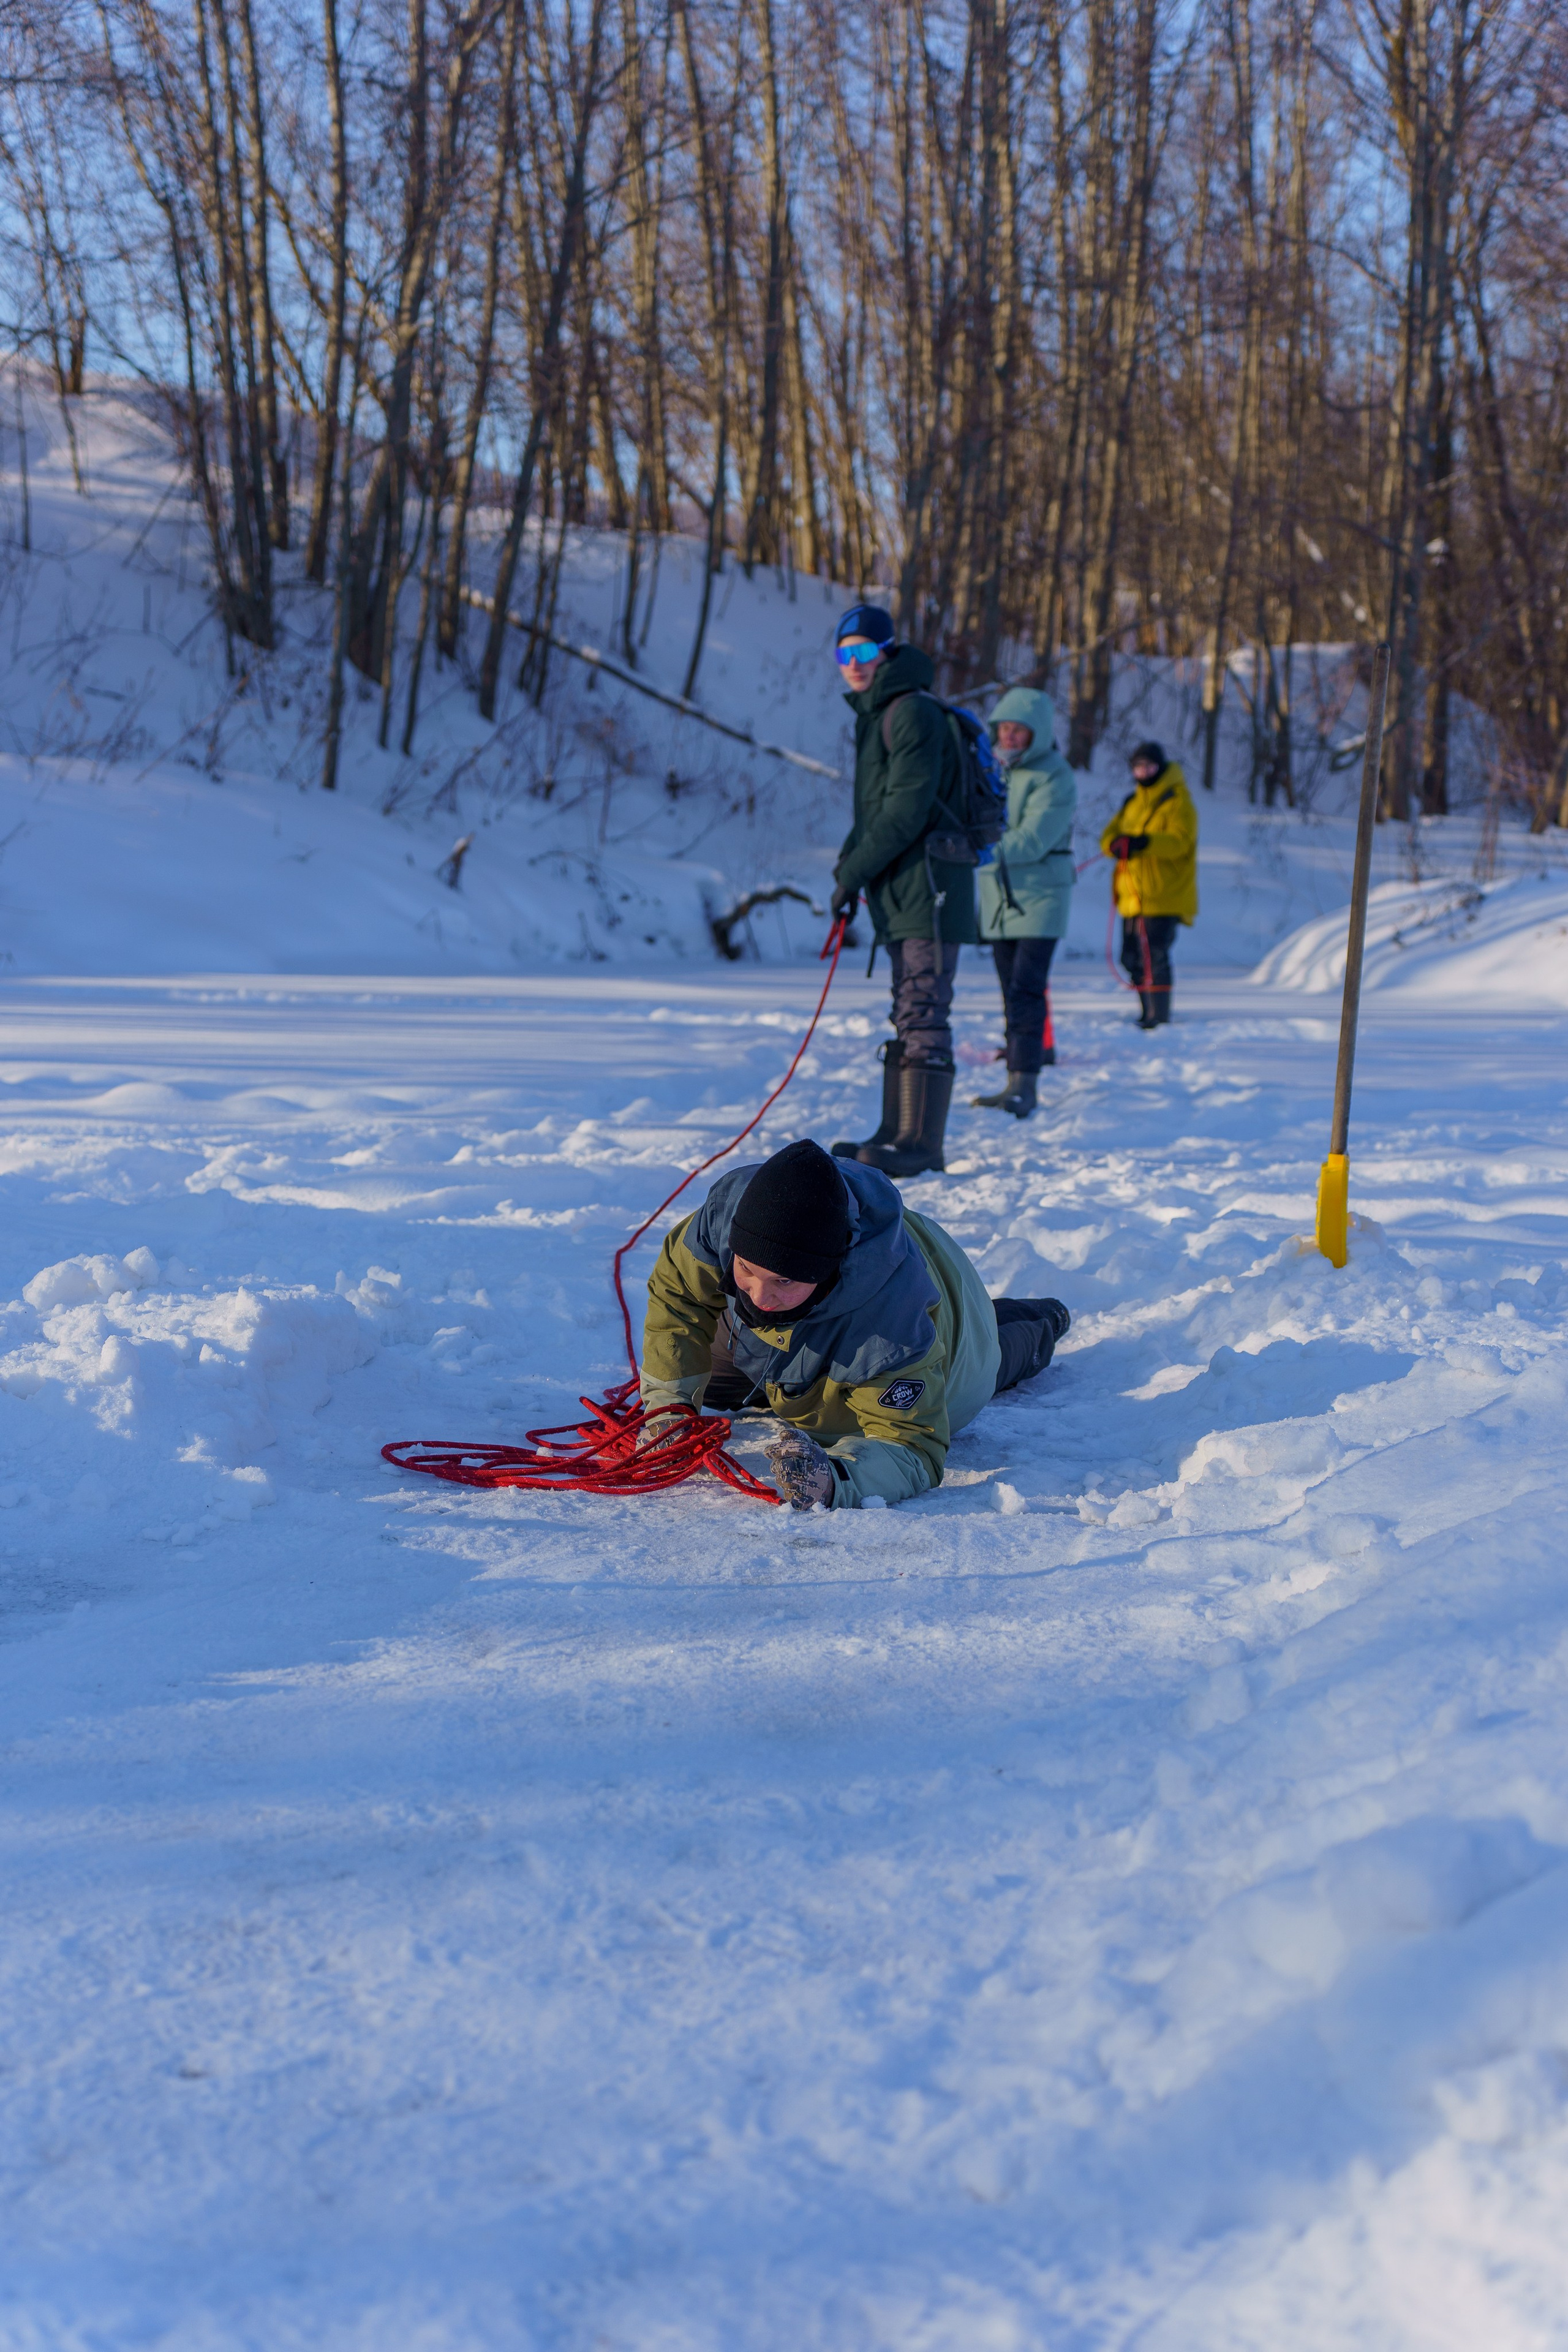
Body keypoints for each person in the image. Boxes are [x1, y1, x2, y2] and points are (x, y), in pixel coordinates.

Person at [639, 1137, 1069, 1509]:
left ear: (825, 1271)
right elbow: (678, 1298)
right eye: (746, 1270)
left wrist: (834, 1479)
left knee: (989, 1354)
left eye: (784, 1281)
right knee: (710, 1379)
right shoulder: (730, 1214)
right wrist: (670, 1408)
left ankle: (1045, 1324)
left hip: (956, 1356)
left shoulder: (892, 1329)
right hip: (821, 1322)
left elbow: (911, 1446)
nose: (759, 1296)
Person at [826, 604, 977, 1179]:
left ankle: (921, 1143)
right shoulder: (879, 714)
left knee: (924, 1005)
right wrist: (849, 868)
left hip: (930, 883)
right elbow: (874, 814)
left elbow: (906, 811)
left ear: (888, 651)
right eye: (844, 654)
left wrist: (854, 873)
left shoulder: (911, 712)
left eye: (865, 651)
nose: (854, 664)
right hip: (902, 884)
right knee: (908, 1004)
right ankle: (895, 1131)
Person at [972, 686, 1077, 1120]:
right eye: (1004, 728)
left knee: (1026, 991)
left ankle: (1025, 1084)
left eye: (1020, 729)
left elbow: (1035, 839)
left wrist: (975, 847)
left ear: (1039, 733)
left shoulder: (1055, 775)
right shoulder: (992, 769)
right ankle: (1014, 1075)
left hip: (1041, 896)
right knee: (1009, 991)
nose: (1010, 736)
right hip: (999, 899)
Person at [1099, 739, 1199, 1028]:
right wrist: (1115, 845)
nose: (1143, 773)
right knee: (1130, 957)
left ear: (1161, 767)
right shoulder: (1131, 803)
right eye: (1138, 767)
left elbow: (1180, 843)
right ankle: (1146, 1012)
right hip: (1132, 896)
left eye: (1149, 767)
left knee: (1155, 954)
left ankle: (1159, 1016)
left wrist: (1145, 842)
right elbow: (1108, 837)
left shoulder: (1178, 801)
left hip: (1164, 895)